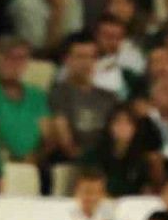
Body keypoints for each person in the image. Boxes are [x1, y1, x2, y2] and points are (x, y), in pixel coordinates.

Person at [49, 35, 118, 163]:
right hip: (74, 163)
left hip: (107, 162)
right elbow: (64, 138)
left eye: (92, 57)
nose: (87, 63)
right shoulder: (58, 93)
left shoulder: (109, 97)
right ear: (67, 60)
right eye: (80, 57)